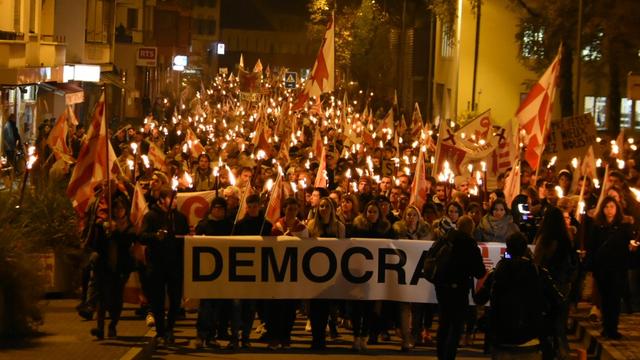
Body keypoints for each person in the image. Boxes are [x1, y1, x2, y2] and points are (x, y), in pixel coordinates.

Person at [474, 232, 564, 359]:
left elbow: (479, 298)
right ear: (525, 249)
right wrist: (544, 322)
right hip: (531, 336)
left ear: (507, 249)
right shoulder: (538, 272)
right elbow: (558, 302)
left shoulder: (497, 273)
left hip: (502, 337)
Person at [140, 186, 189, 346]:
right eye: (171, 198)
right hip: (157, 265)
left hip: (175, 265)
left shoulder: (180, 218)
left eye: (175, 199)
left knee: (175, 300)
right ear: (161, 200)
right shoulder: (151, 216)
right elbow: (142, 236)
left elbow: (184, 239)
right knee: (158, 300)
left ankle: (170, 328)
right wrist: (156, 236)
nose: (175, 201)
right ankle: (161, 331)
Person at [434, 215, 486, 360]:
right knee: (456, 326)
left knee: (443, 323)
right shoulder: (470, 245)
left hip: (442, 287)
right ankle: (449, 356)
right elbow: (479, 271)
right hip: (459, 289)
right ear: (471, 229)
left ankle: (440, 356)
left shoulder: (446, 238)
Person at [587, 196, 638, 339]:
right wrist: (591, 265)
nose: (609, 210)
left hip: (617, 268)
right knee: (605, 298)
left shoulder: (623, 227)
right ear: (602, 209)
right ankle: (606, 327)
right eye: (606, 207)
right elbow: (592, 246)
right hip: (602, 268)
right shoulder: (597, 227)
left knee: (614, 299)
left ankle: (612, 328)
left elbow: (629, 244)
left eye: (612, 207)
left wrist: (632, 248)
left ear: (617, 209)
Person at [228, 194, 273, 349]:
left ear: (259, 206)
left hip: (256, 270)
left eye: (255, 206)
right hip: (240, 269)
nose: (253, 209)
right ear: (246, 207)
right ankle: (234, 336)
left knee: (250, 306)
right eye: (250, 206)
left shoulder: (266, 225)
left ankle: (245, 337)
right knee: (236, 305)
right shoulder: (239, 225)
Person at [533, 207, 577, 360]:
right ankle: (563, 353)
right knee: (560, 323)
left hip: (547, 285)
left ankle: (549, 353)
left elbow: (537, 262)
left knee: (546, 323)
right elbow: (573, 262)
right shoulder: (567, 239)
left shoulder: (544, 239)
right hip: (563, 285)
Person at [349, 201, 393, 351]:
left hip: (375, 274)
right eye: (369, 211)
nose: (371, 214)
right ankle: (355, 337)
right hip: (358, 272)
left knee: (369, 309)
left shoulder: (385, 229)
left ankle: (364, 338)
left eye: (374, 212)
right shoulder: (357, 227)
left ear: (379, 214)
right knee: (357, 307)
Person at [89, 197, 135, 339]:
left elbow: (127, 240)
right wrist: (101, 227)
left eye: (120, 208)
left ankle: (113, 325)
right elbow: (97, 243)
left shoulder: (129, 226)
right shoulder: (106, 224)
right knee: (101, 298)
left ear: (125, 210)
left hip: (119, 268)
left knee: (116, 300)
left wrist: (114, 232)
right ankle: (100, 328)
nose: (117, 211)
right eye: (115, 208)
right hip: (104, 266)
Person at [193, 197, 234, 349]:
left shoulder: (228, 226)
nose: (219, 211)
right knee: (206, 305)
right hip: (206, 271)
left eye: (222, 209)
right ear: (211, 209)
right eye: (217, 208)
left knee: (218, 306)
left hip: (222, 271)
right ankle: (201, 334)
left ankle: (211, 336)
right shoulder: (203, 225)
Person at [392, 205, 435, 351]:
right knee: (404, 305)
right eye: (408, 215)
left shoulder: (426, 233)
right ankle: (406, 337)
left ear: (418, 217)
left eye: (414, 215)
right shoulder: (397, 232)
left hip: (419, 274)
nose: (411, 218)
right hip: (403, 273)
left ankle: (415, 335)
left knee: (418, 307)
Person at [268, 197, 308, 349]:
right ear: (284, 209)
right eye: (289, 209)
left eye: (295, 209)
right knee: (275, 307)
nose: (291, 212)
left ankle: (286, 337)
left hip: (294, 273)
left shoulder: (302, 229)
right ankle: (274, 337)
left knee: (290, 308)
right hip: (278, 272)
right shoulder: (276, 226)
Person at [306, 197, 346, 350]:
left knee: (327, 307)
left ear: (332, 209)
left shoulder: (339, 227)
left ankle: (322, 338)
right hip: (314, 272)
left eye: (326, 206)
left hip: (332, 272)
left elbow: (342, 248)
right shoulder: (311, 225)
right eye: (321, 206)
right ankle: (316, 338)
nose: (323, 209)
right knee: (315, 307)